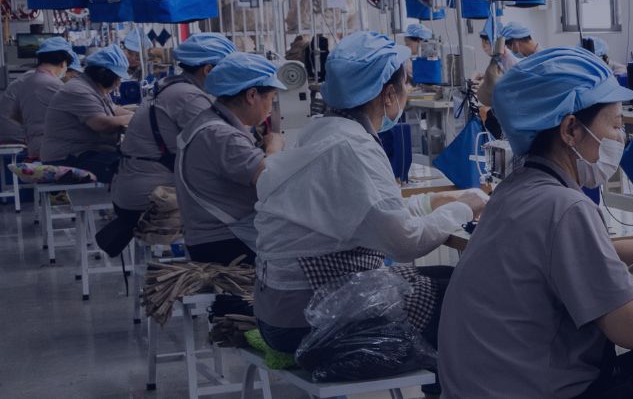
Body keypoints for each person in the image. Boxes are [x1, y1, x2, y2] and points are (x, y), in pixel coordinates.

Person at [438, 48, 633, 398]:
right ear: (570, 129)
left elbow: (585, 253)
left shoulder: (516, 189)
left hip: (482, 388)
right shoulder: (565, 206)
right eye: (614, 125)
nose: (619, 138)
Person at [253, 32, 486, 396]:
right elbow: (405, 243)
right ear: (388, 94)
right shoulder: (353, 147)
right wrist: (463, 206)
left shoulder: (321, 133)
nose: (408, 91)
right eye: (405, 83)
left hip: (279, 311)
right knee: (464, 295)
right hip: (311, 323)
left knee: (448, 278)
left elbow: (365, 210)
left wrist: (430, 204)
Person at [97, 33, 236, 257]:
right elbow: (220, 148)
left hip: (131, 188)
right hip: (149, 197)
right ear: (208, 70)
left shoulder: (172, 86)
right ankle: (212, 271)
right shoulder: (189, 97)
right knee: (239, 213)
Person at [175, 53, 286, 266]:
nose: (271, 107)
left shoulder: (210, 121)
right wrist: (274, 146)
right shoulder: (221, 135)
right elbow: (271, 181)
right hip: (224, 244)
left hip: (213, 237)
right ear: (252, 95)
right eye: (271, 98)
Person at [43, 44, 136, 181]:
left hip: (86, 153)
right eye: (117, 78)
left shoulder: (93, 87)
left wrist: (141, 113)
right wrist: (135, 118)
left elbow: (114, 109)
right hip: (68, 158)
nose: (118, 83)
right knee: (131, 168)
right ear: (104, 75)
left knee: (135, 161)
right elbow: (100, 123)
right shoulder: (78, 90)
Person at [0, 37, 75, 157]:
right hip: (49, 148)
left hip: (32, 142)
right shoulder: (52, 83)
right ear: (63, 63)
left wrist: (33, 126)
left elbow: (16, 115)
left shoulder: (28, 80)